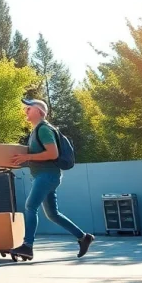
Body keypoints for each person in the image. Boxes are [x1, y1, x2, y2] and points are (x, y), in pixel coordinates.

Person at [10, 98, 95, 260]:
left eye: (29, 108)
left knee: (30, 206)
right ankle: (83, 237)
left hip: (47, 176)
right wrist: (24, 159)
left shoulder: (44, 129)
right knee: (53, 214)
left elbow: (53, 154)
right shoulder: (36, 131)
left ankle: (27, 246)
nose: (25, 110)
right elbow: (39, 155)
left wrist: (27, 156)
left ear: (39, 111)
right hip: (45, 176)